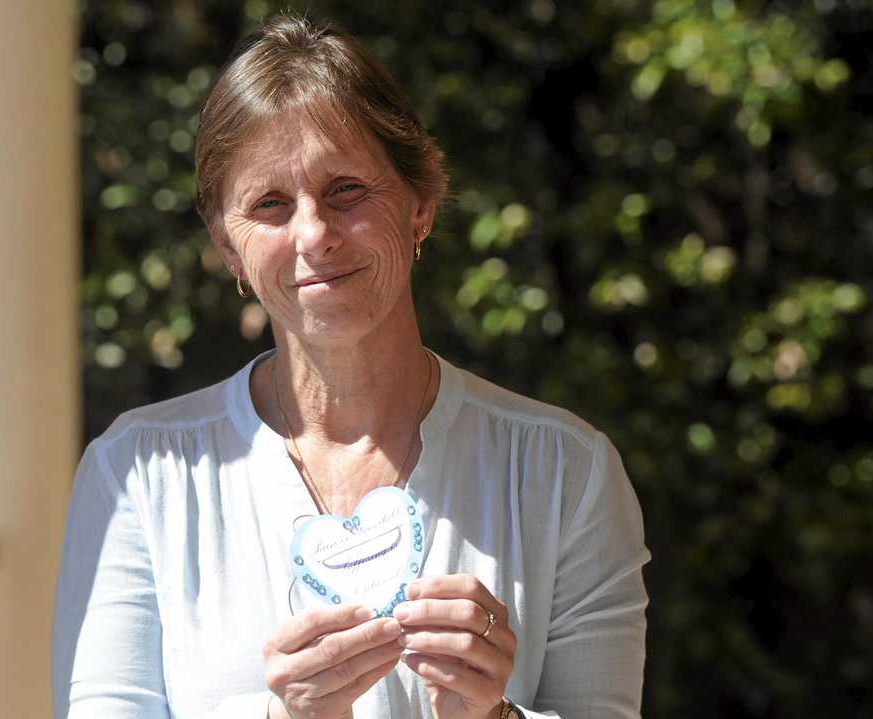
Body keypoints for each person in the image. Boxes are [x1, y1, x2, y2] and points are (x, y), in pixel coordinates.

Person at [51, 13, 649, 719]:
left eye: (346, 191)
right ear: (230, 249)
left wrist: (495, 717)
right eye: (270, 205)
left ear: (420, 202)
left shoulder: (564, 472)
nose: (314, 234)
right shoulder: (139, 474)